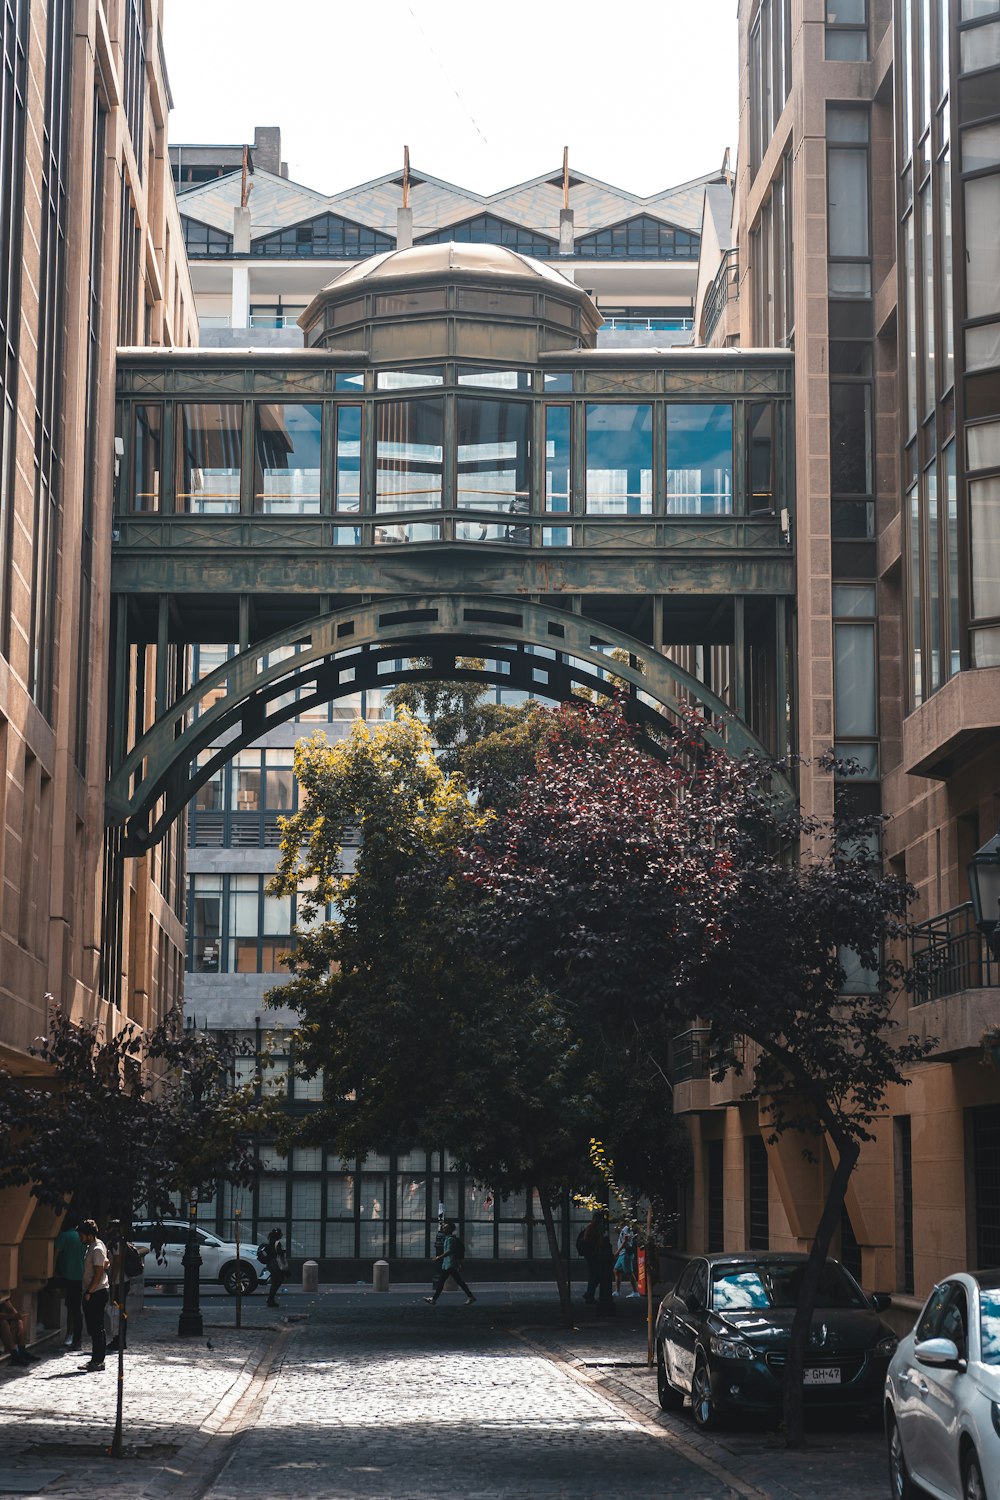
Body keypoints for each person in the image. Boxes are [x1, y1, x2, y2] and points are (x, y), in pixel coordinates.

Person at [78, 1218, 110, 1372]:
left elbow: (98, 1272)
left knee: (97, 1327)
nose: (80, 1238)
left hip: (96, 1292)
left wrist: (90, 1291)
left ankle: (98, 1361)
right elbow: (106, 1262)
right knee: (94, 1327)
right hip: (94, 1291)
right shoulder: (97, 1246)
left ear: (89, 1235)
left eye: (82, 1235)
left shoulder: (97, 1248)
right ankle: (95, 1359)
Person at [424, 1221, 475, 1305]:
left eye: (445, 1227)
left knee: (444, 1282)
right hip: (448, 1263)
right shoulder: (448, 1238)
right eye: (444, 1227)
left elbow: (450, 1251)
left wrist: (438, 1257)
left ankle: (433, 1299)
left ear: (450, 1229)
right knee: (457, 1281)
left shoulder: (450, 1239)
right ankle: (470, 1297)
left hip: (450, 1264)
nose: (443, 1228)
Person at [54, 1218, 85, 1351]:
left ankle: (71, 1336)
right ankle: (75, 1337)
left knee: (72, 1309)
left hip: (69, 1276)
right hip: (82, 1277)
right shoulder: (83, 1237)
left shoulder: (65, 1236)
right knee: (77, 1309)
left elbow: (56, 1254)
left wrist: (53, 1271)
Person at [577, 1212, 603, 1304]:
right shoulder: (592, 1228)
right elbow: (590, 1241)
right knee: (595, 1275)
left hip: (591, 1255)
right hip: (592, 1255)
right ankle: (589, 1294)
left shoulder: (592, 1227)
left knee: (594, 1275)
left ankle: (589, 1294)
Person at [0, 1293, 32, 1366]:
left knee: (23, 1318)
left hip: (6, 1317)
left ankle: (22, 1352)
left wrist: (19, 1320)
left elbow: (10, 1307)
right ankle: (14, 1356)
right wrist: (14, 1316)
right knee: (3, 1323)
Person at [264, 1227, 288, 1308]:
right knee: (276, 1282)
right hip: (276, 1265)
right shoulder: (277, 1243)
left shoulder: (271, 1242)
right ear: (278, 1235)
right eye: (280, 1233)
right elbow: (280, 1255)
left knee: (275, 1282)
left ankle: (271, 1299)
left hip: (271, 1264)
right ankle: (270, 1300)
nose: (282, 1235)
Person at [614, 1223, 639, 1298]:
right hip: (622, 1254)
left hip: (625, 1254)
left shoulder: (626, 1228)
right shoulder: (624, 1229)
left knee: (629, 1272)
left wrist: (618, 1251)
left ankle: (635, 1292)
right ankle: (617, 1291)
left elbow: (625, 1241)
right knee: (616, 1270)